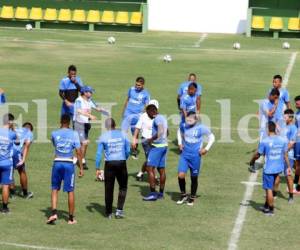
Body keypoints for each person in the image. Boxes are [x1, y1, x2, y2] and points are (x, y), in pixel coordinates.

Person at [47, 115, 83, 225]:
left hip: (57, 162)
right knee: (70, 191)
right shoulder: (74, 134)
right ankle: (71, 218)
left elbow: (55, 145)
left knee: (54, 189)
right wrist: (81, 167)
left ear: (60, 122)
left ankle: (53, 213)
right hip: (68, 164)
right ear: (69, 122)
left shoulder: (54, 133)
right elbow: (78, 151)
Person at [250, 121, 290, 216]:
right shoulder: (282, 140)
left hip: (269, 169)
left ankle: (270, 210)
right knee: (271, 188)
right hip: (278, 168)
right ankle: (266, 206)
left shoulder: (265, 141)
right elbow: (285, 155)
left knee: (268, 189)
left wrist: (252, 161)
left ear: (268, 129)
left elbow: (258, 154)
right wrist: (288, 167)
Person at [176, 112, 215, 206]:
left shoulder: (201, 128)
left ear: (196, 120)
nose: (189, 120)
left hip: (195, 157)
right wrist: (180, 143)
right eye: (187, 118)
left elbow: (212, 137)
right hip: (184, 155)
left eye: (191, 119)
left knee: (194, 178)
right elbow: (179, 131)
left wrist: (206, 149)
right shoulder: (183, 125)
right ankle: (183, 195)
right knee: (181, 175)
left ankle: (192, 197)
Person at [95, 118, 130, 219]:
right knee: (123, 187)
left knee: (109, 189)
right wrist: (124, 158)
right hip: (121, 163)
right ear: (115, 125)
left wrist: (97, 168)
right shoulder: (123, 134)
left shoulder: (103, 137)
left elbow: (98, 154)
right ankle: (119, 210)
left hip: (109, 164)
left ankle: (109, 213)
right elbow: (128, 150)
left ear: (106, 127)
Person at [73, 86, 107, 169]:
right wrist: (90, 115)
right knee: (83, 143)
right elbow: (78, 110)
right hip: (79, 123)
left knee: (85, 144)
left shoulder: (90, 100)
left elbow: (97, 107)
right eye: (90, 92)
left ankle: (80, 159)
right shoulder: (79, 100)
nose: (91, 93)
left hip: (86, 123)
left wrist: (105, 111)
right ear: (85, 93)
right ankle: (80, 161)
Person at [249, 88, 280, 173]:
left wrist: (277, 128)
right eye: (275, 97)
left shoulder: (273, 103)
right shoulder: (265, 103)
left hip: (272, 129)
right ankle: (251, 163)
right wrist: (276, 106)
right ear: (271, 95)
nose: (276, 99)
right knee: (260, 151)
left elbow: (274, 117)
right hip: (264, 130)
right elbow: (269, 114)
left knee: (272, 148)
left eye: (277, 98)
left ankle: (270, 166)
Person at [143, 104, 168, 201]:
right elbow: (167, 132)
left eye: (148, 113)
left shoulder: (157, 119)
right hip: (164, 146)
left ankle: (153, 193)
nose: (147, 115)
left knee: (149, 168)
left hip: (157, 147)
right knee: (161, 170)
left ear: (151, 112)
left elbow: (161, 131)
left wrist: (151, 139)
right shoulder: (163, 118)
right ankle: (161, 194)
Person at [121, 77, 150, 159]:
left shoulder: (146, 94)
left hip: (137, 116)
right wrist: (123, 111)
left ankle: (134, 150)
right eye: (136, 84)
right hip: (128, 114)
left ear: (143, 85)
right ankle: (124, 149)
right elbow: (127, 100)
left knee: (135, 134)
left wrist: (142, 114)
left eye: (139, 85)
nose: (137, 86)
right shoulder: (131, 89)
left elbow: (147, 105)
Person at [132, 100, 159, 181]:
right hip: (145, 141)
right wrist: (134, 140)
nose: (152, 110)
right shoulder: (143, 116)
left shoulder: (158, 117)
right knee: (151, 159)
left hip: (156, 141)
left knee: (150, 159)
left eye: (154, 108)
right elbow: (137, 128)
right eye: (150, 108)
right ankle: (155, 177)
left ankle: (140, 173)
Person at [273, 109, 296, 203]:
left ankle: (291, 196)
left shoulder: (293, 128)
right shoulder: (285, 126)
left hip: (288, 156)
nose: (284, 118)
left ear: (290, 117)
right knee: (276, 174)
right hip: (279, 155)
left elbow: (291, 143)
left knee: (288, 175)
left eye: (285, 116)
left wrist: (284, 153)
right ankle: (274, 194)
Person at [10, 122, 34, 199]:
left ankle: (12, 193)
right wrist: (23, 159)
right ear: (30, 129)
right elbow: (26, 146)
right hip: (16, 153)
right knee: (22, 171)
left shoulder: (16, 129)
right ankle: (25, 194)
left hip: (7, 151)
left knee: (10, 171)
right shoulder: (29, 132)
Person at [0, 113, 17, 213]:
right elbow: (18, 142)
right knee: (6, 185)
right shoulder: (12, 134)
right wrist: (13, 129)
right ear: (10, 122)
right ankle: (5, 208)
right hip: (7, 163)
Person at [294, 96, 300, 192]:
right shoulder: (297, 113)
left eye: (298, 103)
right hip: (297, 140)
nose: (296, 104)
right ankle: (296, 180)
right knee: (297, 161)